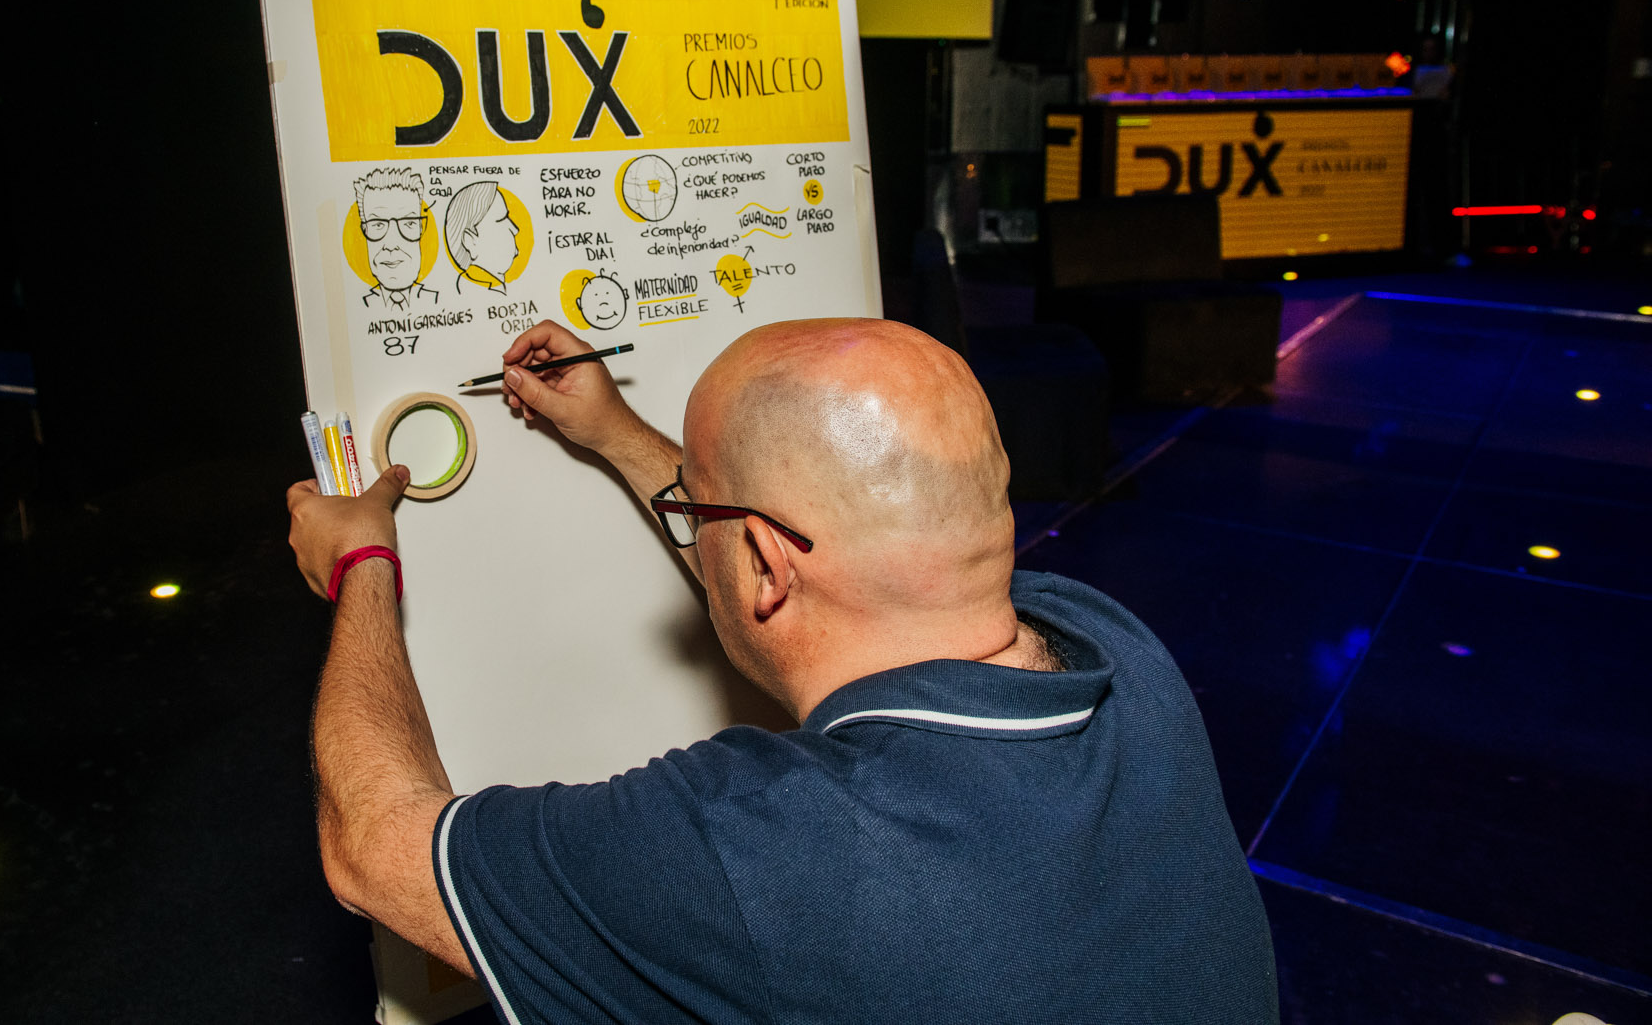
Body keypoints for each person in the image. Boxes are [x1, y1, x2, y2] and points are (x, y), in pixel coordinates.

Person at [287, 317, 1278, 1024]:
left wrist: (361, 562)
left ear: (763, 563)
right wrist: (618, 432)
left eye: (701, 512)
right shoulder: (1115, 646)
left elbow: (372, 849)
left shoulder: (760, 851)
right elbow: (817, 578)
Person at [355, 168, 439, 311]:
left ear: (420, 227)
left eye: (408, 223)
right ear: (365, 230)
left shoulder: (437, 300)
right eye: (378, 225)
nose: (391, 244)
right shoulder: (361, 306)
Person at [443, 179, 521, 292]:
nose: (515, 229)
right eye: (502, 219)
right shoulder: (475, 292)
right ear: (471, 242)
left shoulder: (492, 289)